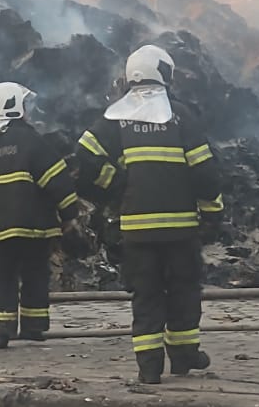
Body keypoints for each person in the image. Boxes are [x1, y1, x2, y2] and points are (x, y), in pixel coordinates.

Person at [74, 45, 224, 383]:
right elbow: (205, 173)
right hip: (180, 229)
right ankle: (184, 357)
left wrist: (116, 186)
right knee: (184, 290)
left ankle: (149, 368)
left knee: (146, 295)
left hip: (136, 230)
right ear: (165, 74)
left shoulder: (115, 117)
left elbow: (82, 160)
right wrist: (213, 213)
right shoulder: (182, 115)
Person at [0, 82, 80, 349]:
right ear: (13, 107)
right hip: (31, 227)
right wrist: (69, 214)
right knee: (35, 272)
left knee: (2, 275)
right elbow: (58, 181)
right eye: (24, 105)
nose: (28, 111)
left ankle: (0, 329)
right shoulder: (31, 140)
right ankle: (33, 327)